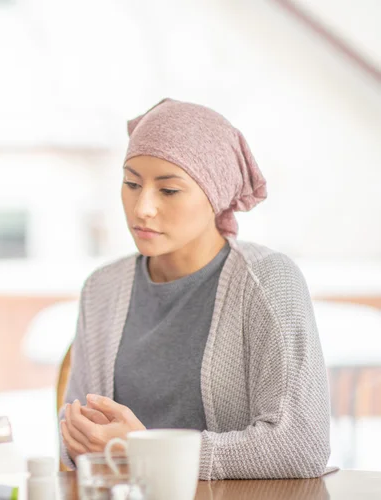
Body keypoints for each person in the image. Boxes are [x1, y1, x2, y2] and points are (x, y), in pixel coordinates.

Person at [58, 98, 331, 479]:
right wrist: (79, 437)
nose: (142, 209)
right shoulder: (101, 289)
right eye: (131, 184)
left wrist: (147, 450)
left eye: (168, 190)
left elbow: (301, 445)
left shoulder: (269, 282)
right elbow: (75, 433)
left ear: (216, 194)